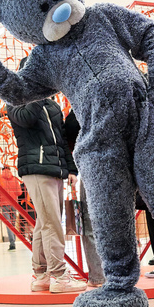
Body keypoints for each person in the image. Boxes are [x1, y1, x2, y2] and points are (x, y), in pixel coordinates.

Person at [5, 71, 86, 294]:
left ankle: (42, 274)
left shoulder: (52, 106)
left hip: (56, 169)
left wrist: (70, 168)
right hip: (36, 168)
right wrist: (36, 94)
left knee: (45, 221)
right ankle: (59, 276)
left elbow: (60, 140)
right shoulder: (14, 100)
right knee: (51, 222)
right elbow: (26, 118)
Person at [63, 110, 104, 286]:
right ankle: (117, 273)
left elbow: (69, 135)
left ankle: (98, 277)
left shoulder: (77, 113)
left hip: (91, 168)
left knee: (90, 226)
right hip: (114, 168)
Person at [0, 166, 24, 250]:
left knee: (8, 224)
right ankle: (13, 241)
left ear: (2, 170)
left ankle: (12, 243)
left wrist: (0, 199)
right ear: (10, 170)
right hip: (14, 204)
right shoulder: (15, 179)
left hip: (4, 205)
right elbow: (19, 192)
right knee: (12, 223)